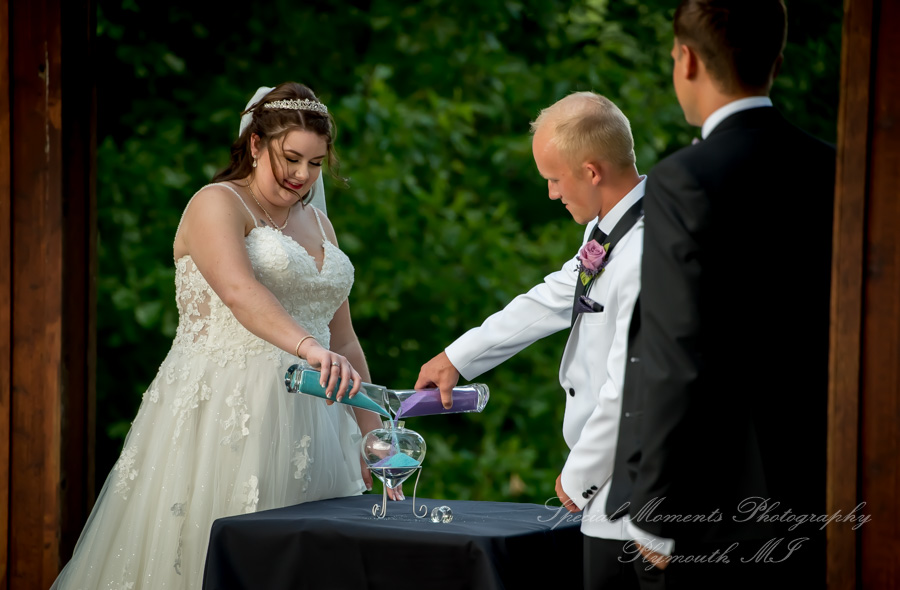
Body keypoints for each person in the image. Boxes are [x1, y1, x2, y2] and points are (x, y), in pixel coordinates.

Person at [52, 82, 394, 589]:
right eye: (291, 158)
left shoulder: (321, 224)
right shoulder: (216, 204)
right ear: (255, 144)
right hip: (228, 412)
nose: (303, 176)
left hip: (315, 424)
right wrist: (307, 348)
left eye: (316, 163)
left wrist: (371, 431)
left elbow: (342, 339)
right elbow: (238, 290)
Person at [605, 1, 836, 588]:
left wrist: (654, 504)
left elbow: (673, 352)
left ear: (685, 60)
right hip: (823, 484)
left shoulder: (685, 179)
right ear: (777, 61)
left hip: (709, 505)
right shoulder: (835, 169)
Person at [416, 92, 645, 590]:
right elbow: (556, 295)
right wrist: (459, 356)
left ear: (591, 171)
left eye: (553, 179)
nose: (550, 193)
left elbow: (631, 385)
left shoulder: (646, 250)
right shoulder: (607, 231)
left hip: (633, 487)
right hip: (606, 489)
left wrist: (579, 473)